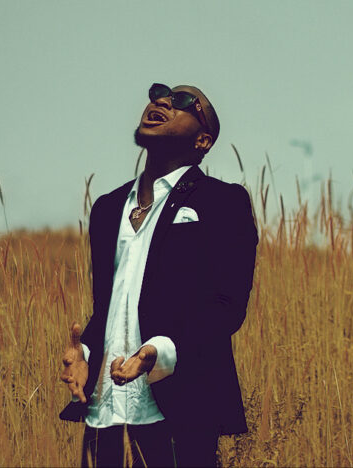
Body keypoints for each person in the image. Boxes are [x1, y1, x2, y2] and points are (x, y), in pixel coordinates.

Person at [59, 83, 258, 467]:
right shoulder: (107, 208)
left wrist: (159, 350)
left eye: (183, 102)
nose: (162, 101)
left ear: (202, 140)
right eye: (160, 94)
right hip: (105, 410)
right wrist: (85, 354)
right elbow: (112, 305)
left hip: (180, 405)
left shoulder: (222, 201)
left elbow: (227, 306)